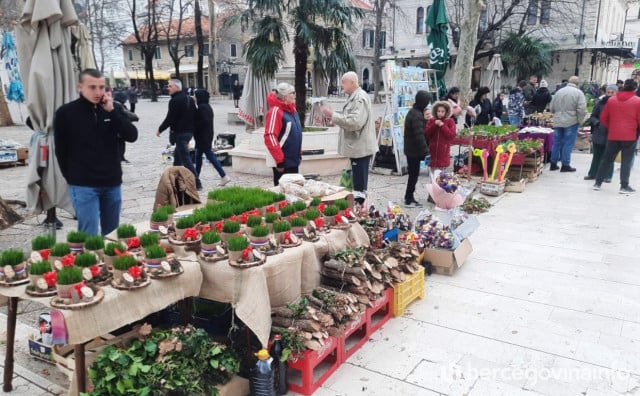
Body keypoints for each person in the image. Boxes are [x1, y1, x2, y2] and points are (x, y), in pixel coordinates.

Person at [54, 68, 138, 236]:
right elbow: (61, 150)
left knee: (112, 234)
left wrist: (112, 112)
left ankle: (109, 262)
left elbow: (131, 135)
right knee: (89, 234)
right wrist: (71, 178)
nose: (98, 92)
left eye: (101, 87)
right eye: (92, 87)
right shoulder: (66, 113)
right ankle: (89, 262)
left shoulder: (111, 109)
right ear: (80, 86)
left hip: (112, 182)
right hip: (83, 184)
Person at [321, 71, 378, 205]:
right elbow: (350, 118)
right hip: (357, 147)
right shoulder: (354, 96)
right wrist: (336, 119)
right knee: (357, 180)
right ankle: (357, 205)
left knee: (359, 183)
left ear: (352, 83)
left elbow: (355, 122)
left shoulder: (359, 98)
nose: (341, 85)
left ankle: (359, 207)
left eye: (343, 82)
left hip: (360, 147)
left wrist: (333, 115)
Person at [593, 79, 640, 194]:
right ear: (635, 88)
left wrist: (612, 127)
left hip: (613, 134)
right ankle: (624, 186)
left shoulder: (612, 100)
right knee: (626, 161)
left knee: (607, 159)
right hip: (630, 135)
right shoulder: (637, 101)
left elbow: (604, 117)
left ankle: (598, 183)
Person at [156, 79, 202, 190]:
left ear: (177, 87)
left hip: (180, 134)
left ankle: (197, 182)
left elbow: (169, 118)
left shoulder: (174, 101)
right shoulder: (189, 99)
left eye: (170, 86)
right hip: (188, 133)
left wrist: (160, 129)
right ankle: (175, 179)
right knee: (177, 157)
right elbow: (195, 116)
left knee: (186, 159)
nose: (168, 88)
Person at [264, 83, 303, 186]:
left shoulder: (292, 109)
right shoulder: (275, 111)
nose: (295, 95)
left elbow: (292, 134)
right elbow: (270, 136)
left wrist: (298, 152)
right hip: (283, 162)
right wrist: (280, 160)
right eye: (293, 93)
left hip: (293, 160)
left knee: (294, 191)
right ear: (285, 96)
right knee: (283, 194)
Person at [194, 89, 231, 187]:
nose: (194, 98)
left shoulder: (202, 107)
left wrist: (195, 125)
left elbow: (204, 121)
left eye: (195, 96)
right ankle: (196, 177)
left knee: (209, 155)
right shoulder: (207, 106)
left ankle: (223, 175)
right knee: (198, 156)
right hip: (206, 135)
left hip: (203, 136)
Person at [549, 75, 587, 172]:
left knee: (556, 143)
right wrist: (579, 120)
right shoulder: (579, 93)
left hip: (558, 120)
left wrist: (557, 114)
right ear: (577, 83)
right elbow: (582, 109)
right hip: (571, 121)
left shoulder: (558, 92)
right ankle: (565, 165)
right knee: (568, 143)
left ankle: (553, 164)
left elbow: (551, 108)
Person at [402, 90, 430, 207]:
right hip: (413, 151)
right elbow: (419, 136)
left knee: (413, 175)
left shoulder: (414, 112)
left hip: (411, 149)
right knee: (413, 175)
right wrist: (426, 153)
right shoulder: (417, 116)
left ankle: (409, 196)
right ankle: (409, 198)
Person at [584, 85, 616, 182]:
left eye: (612, 92)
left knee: (609, 156)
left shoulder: (618, 104)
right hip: (599, 132)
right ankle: (592, 173)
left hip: (611, 134)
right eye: (608, 92)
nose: (610, 94)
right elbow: (593, 116)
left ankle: (608, 175)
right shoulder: (600, 103)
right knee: (596, 155)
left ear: (616, 93)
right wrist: (597, 123)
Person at [425, 101, 456, 171]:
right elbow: (427, 133)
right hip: (433, 150)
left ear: (446, 112)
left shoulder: (450, 121)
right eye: (438, 111)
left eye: (442, 111)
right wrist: (434, 125)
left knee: (442, 175)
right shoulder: (431, 121)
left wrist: (442, 126)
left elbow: (451, 135)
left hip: (444, 150)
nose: (440, 113)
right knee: (433, 173)